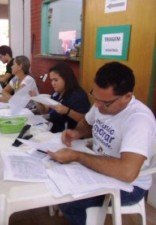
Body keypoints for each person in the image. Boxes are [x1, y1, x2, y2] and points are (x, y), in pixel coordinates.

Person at [47, 62, 156, 225]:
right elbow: (87, 122)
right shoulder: (102, 104)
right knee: (56, 179)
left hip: (130, 186)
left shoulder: (139, 120)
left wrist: (78, 156)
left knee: (70, 202)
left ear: (127, 96)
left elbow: (127, 172)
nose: (97, 105)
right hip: (101, 168)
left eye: (105, 103)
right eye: (94, 97)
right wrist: (77, 133)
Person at [34, 62, 91, 133]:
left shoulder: (78, 95)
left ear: (66, 78)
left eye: (56, 80)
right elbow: (45, 111)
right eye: (51, 80)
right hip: (52, 131)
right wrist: (37, 100)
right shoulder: (57, 93)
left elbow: (87, 121)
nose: (53, 83)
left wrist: (67, 111)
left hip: (69, 135)